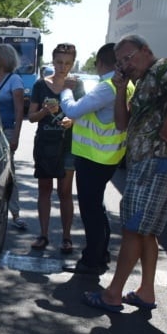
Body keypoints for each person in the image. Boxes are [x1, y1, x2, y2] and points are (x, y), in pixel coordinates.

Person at [83, 35, 167, 312]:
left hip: (155, 162)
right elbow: (121, 123)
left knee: (134, 229)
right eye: (121, 62)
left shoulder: (162, 68)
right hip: (152, 164)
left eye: (129, 57)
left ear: (146, 50)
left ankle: (113, 294)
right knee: (147, 232)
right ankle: (145, 292)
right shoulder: (139, 83)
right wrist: (121, 87)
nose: (126, 65)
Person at [60, 43, 134, 275]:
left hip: (95, 157)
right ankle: (100, 255)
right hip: (107, 156)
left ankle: (91, 260)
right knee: (97, 209)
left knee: (91, 211)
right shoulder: (124, 84)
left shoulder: (107, 86)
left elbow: (72, 110)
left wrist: (65, 89)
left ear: (101, 63)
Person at [27, 43, 82, 253]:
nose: (63, 66)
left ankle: (67, 238)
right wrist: (43, 111)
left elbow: (84, 113)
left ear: (72, 63)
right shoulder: (41, 85)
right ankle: (43, 235)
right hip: (45, 143)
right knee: (44, 190)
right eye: (59, 62)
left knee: (65, 192)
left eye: (67, 63)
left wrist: (71, 120)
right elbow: (31, 117)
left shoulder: (77, 85)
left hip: (68, 144)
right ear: (53, 61)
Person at [0, 43, 27, 230]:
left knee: (9, 172)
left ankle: (15, 213)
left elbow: (19, 111)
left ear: (4, 59)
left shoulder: (15, 80)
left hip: (7, 130)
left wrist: (16, 137)